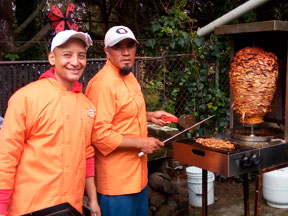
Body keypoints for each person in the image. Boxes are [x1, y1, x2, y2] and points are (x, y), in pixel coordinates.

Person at [0, 30, 101, 216]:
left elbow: (86, 154)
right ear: (52, 58)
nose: (75, 62)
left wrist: (93, 200)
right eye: (67, 55)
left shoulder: (87, 106)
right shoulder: (26, 98)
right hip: (30, 208)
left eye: (82, 56)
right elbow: (5, 157)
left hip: (71, 207)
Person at [85, 25, 176, 216]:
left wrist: (149, 115)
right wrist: (141, 143)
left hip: (137, 179)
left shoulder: (129, 75)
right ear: (107, 52)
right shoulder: (102, 84)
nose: (126, 52)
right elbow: (99, 135)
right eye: (118, 47)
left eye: (130, 46)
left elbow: (122, 112)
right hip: (117, 185)